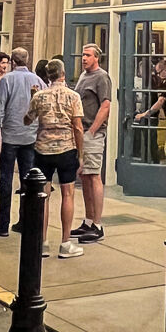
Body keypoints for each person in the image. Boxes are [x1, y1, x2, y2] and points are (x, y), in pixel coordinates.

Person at [24, 59, 85, 258]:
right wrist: (81, 154)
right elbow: (77, 127)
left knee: (44, 195)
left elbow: (27, 120)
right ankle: (66, 243)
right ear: (63, 73)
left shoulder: (39, 96)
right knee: (68, 194)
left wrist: (34, 98)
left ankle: (42, 242)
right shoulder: (73, 96)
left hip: (43, 149)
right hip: (67, 148)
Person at [0, 47, 46, 238]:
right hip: (30, 136)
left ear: (13, 61)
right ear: (27, 60)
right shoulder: (38, 81)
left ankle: (3, 223)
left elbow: (0, 109)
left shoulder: (7, 80)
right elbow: (42, 108)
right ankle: (24, 221)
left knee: (6, 178)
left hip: (9, 136)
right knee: (27, 181)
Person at [72, 43, 112, 244]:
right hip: (81, 133)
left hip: (92, 133)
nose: (84, 58)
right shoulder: (83, 76)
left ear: (97, 57)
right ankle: (88, 220)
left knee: (94, 175)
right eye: (82, 54)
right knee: (85, 177)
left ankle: (97, 224)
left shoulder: (101, 77)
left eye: (87, 55)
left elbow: (105, 106)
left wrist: (92, 131)